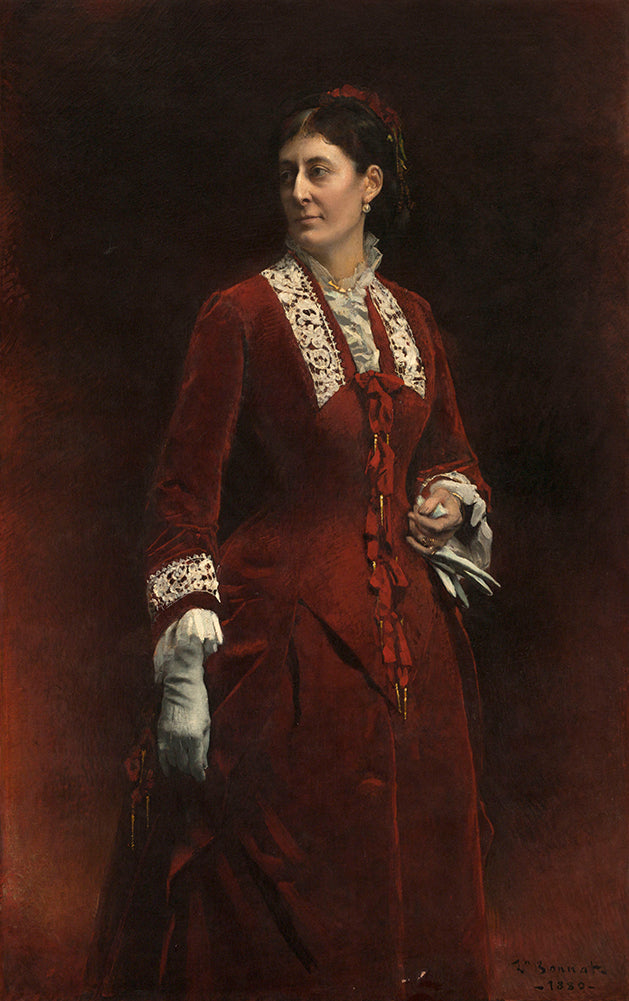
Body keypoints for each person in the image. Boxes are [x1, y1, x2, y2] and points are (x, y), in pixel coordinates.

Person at [91, 85, 497, 1001]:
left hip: (412, 651)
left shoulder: (413, 317)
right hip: (283, 646)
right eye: (286, 176)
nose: (300, 192)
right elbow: (182, 493)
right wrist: (185, 671)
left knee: (418, 878)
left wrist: (448, 497)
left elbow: (451, 451)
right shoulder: (239, 312)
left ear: (370, 184)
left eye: (319, 171)